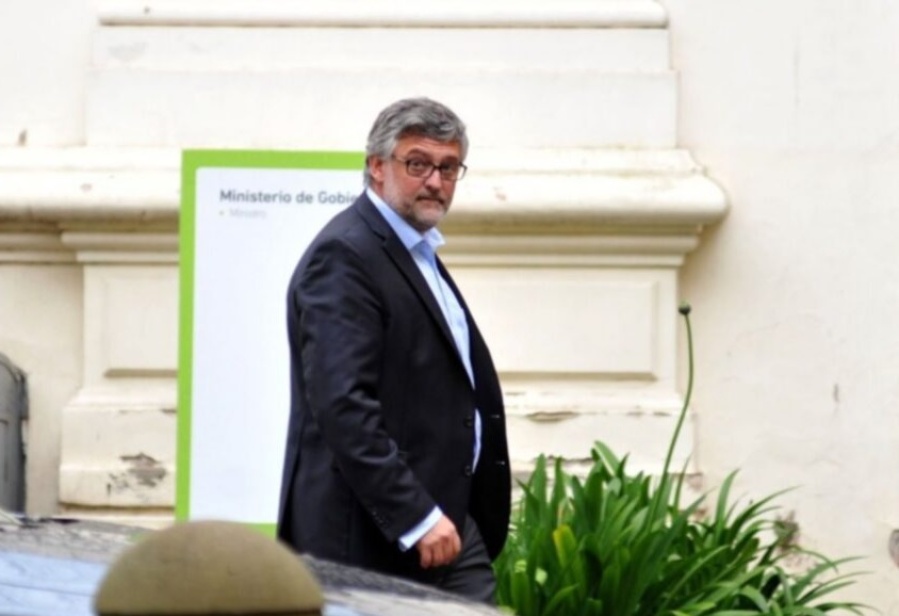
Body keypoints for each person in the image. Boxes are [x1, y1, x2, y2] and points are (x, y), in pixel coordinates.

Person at [277, 97, 511, 602]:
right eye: (418, 164)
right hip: (375, 537)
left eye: (448, 167)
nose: (435, 181)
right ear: (377, 167)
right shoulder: (345, 254)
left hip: (447, 522)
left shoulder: (415, 250)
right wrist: (416, 516)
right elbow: (343, 406)